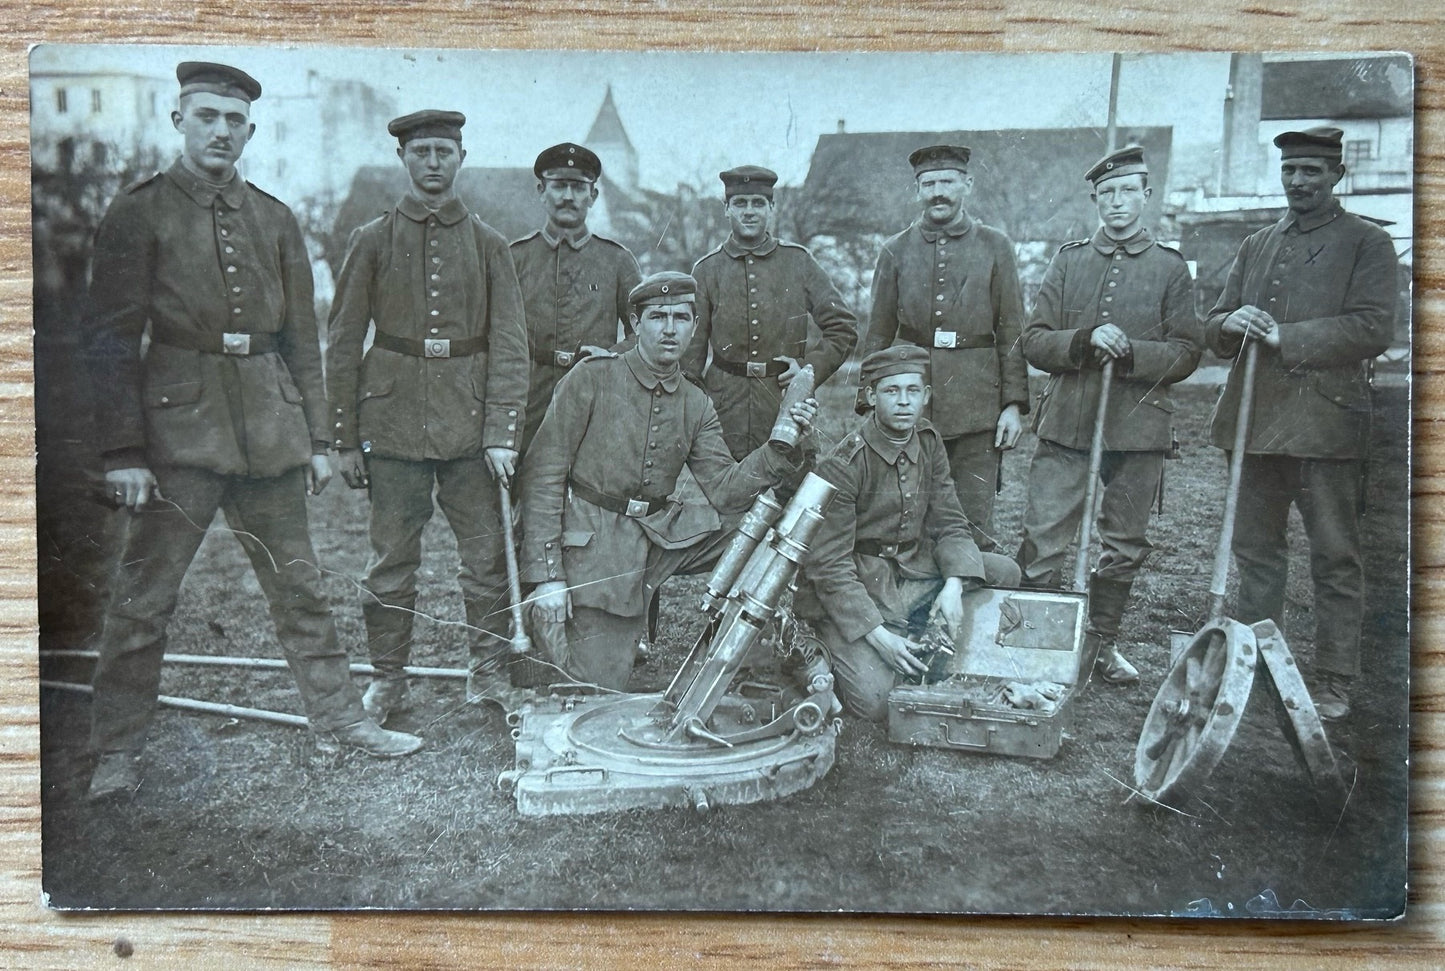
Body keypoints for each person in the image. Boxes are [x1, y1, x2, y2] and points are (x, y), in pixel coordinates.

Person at [81, 62, 422, 800]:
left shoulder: (273, 217)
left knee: (300, 587)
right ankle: (117, 749)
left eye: (234, 121)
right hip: (178, 435)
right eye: (206, 116)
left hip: (269, 433)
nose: (221, 131)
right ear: (179, 120)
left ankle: (339, 719)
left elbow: (304, 336)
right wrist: (123, 452)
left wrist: (322, 440)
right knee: (145, 598)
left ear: (250, 131)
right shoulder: (137, 211)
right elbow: (109, 340)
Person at [326, 109, 531, 722]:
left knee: (486, 559)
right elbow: (341, 343)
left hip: (471, 433)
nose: (433, 162)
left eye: (444, 151)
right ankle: (389, 681)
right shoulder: (371, 240)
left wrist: (500, 434)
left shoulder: (491, 245)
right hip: (390, 430)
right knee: (390, 561)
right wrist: (342, 439)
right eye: (422, 152)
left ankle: (487, 671)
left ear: (461, 157)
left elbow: (511, 345)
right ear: (403, 160)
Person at [522, 271, 817, 691]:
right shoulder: (592, 378)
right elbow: (543, 473)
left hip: (661, 534)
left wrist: (781, 449)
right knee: (596, 689)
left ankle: (748, 657)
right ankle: (560, 624)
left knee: (757, 536)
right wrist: (548, 575)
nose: (670, 329)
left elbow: (724, 488)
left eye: (681, 318)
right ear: (636, 323)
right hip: (596, 542)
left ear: (695, 328)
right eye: (658, 317)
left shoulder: (695, 402)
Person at [1203, 126, 1398, 720]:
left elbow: (1373, 328)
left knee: (1335, 555)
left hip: (1327, 428)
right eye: (1290, 171)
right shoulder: (1258, 242)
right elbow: (1212, 323)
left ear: (1337, 175)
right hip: (1255, 427)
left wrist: (1289, 337)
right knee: (1257, 552)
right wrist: (1230, 323)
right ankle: (1255, 662)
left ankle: (1335, 677)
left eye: (1312, 171)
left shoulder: (1367, 243)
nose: (1298, 182)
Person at [1014, 145, 1201, 685]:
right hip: (1069, 420)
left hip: (1139, 424)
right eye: (1106, 193)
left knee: (1123, 543)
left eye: (1127, 192)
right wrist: (1084, 338)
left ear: (1146, 197)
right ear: (1095, 199)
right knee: (1044, 533)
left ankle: (1099, 645)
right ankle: (1032, 645)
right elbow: (1034, 340)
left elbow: (1189, 351)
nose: (1116, 203)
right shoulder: (1069, 261)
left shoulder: (1170, 267)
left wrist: (1135, 352)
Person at [801, 346, 1022, 721]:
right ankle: (819, 645)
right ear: (871, 397)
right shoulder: (845, 463)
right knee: (875, 703)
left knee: (1004, 572)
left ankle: (929, 635)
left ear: (926, 396)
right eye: (891, 391)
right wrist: (879, 639)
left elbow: (951, 521)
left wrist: (953, 584)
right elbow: (830, 567)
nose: (904, 402)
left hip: (915, 570)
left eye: (913, 390)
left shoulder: (928, 441)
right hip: (862, 585)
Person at [863, 145, 1030, 551]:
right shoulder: (895, 250)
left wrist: (1013, 404)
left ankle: (970, 600)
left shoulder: (996, 246)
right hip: (912, 403)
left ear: (967, 185)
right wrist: (867, 400)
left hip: (978, 405)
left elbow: (1012, 330)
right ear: (917, 190)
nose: (938, 192)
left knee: (973, 516)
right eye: (929, 183)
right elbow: (878, 332)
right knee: (908, 513)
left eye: (948, 182)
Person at [685, 165, 857, 472]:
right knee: (726, 496)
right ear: (726, 209)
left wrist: (807, 373)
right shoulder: (707, 270)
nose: (749, 212)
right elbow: (690, 355)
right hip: (724, 408)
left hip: (785, 403)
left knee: (789, 493)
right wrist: (697, 408)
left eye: (758, 203)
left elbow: (842, 328)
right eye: (740, 203)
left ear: (771, 208)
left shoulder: (799, 262)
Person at [510, 142, 642, 453]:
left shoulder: (617, 260)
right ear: (542, 191)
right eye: (558, 186)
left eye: (578, 187)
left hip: (597, 395)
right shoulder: (516, 257)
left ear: (593, 196)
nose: (568, 196)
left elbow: (644, 330)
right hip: (529, 398)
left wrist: (611, 356)